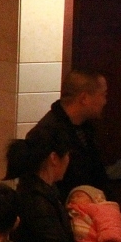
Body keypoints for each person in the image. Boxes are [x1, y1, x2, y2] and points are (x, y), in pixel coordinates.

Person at [30, 70, 109, 198]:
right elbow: (37, 189)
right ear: (84, 98)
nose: (105, 101)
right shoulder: (45, 134)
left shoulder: (87, 129)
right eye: (103, 95)